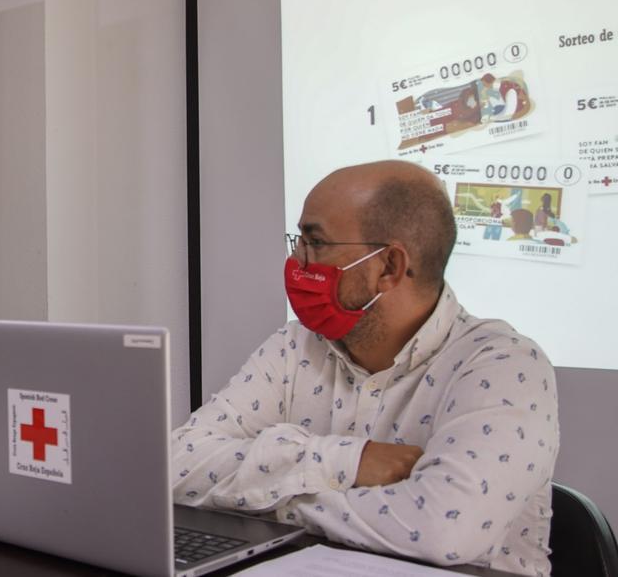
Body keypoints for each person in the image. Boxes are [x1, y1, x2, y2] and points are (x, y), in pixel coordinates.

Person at [172, 161, 558, 577]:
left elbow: (441, 530)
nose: (298, 260)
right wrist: (350, 462)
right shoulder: (293, 346)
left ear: (389, 266)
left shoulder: (503, 364)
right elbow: (176, 463)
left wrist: (273, 496)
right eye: (298, 241)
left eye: (315, 242)